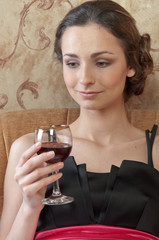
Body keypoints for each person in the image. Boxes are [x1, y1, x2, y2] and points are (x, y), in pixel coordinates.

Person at [0, 0, 159, 239]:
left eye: (102, 63)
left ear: (131, 65)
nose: (84, 78)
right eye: (72, 63)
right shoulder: (30, 150)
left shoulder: (157, 152)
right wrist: (30, 207)